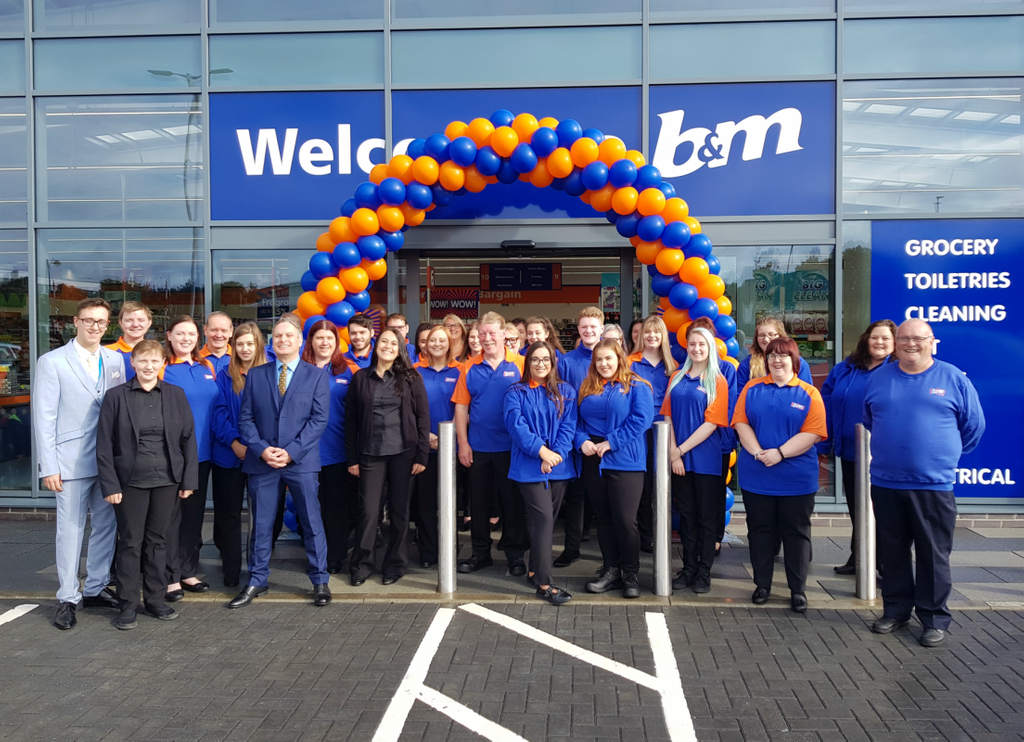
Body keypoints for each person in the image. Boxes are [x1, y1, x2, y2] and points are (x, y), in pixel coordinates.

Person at [864, 319, 985, 647]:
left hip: (933, 484)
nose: (911, 344)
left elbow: (973, 426)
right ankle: (896, 611)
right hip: (887, 482)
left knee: (933, 554)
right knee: (893, 551)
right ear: (897, 343)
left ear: (932, 342)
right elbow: (870, 419)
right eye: (904, 338)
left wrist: (941, 456)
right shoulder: (879, 378)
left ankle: (933, 618)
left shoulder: (953, 378)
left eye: (918, 338)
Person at [33, 298, 125, 629]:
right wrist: (49, 465)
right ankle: (69, 596)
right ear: (76, 321)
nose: (95, 327)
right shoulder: (52, 362)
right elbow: (44, 417)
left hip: (107, 460)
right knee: (70, 529)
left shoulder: (115, 359)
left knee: (106, 526)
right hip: (70, 461)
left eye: (101, 322)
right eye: (89, 320)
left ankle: (96, 587)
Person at [231, 313, 331, 609]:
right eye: (278, 336)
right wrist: (262, 449)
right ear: (271, 341)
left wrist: (291, 452)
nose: (283, 340)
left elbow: (318, 420)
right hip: (263, 462)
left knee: (312, 522)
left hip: (301, 462)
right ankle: (257, 579)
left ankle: (320, 580)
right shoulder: (256, 375)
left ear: (300, 341)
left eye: (289, 336)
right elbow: (245, 419)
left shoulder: (316, 376)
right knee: (260, 525)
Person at [95, 340, 198, 629]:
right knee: (130, 542)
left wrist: (188, 479)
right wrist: (110, 485)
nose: (148, 366)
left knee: (159, 541)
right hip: (129, 482)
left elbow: (188, 439)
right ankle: (127, 604)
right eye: (143, 361)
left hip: (167, 480)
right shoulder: (116, 397)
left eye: (154, 361)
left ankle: (155, 600)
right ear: (133, 363)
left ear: (163, 363)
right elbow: (104, 444)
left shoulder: (176, 394)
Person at [732, 337, 826, 613]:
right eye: (772, 355)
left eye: (783, 355)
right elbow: (740, 422)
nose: (777, 360)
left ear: (794, 360)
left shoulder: (809, 393)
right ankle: (762, 585)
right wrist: (759, 452)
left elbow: (813, 432)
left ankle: (798, 590)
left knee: (796, 533)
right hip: (757, 476)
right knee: (759, 531)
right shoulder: (752, 388)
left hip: (796, 478)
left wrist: (780, 453)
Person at [345, 328, 430, 585]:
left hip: (404, 453)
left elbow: (423, 417)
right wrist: (352, 458)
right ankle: (362, 565)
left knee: (400, 511)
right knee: (369, 512)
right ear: (376, 345)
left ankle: (395, 565)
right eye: (384, 341)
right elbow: (350, 421)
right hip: (370, 453)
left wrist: (422, 455)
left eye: (394, 343)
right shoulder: (360, 378)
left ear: (400, 349)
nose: (388, 346)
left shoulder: (411, 378)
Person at [817, 319, 897, 576]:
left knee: (882, 512)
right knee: (858, 508)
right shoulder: (845, 368)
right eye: (875, 337)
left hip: (883, 455)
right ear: (866, 339)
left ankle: (884, 565)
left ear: (895, 343)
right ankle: (859, 556)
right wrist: (825, 442)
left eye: (886, 338)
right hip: (851, 452)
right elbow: (827, 405)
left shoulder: (897, 370)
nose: (879, 342)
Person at [452, 311, 528, 576]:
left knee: (512, 503)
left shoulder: (521, 363)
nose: (487, 338)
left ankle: (515, 555)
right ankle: (480, 553)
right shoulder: (468, 367)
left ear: (504, 334)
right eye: (482, 333)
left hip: (513, 447)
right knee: (479, 504)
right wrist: (463, 444)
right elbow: (461, 407)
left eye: (492, 333)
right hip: (479, 447)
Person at [576, 340, 653, 598]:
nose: (603, 363)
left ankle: (630, 574)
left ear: (620, 358)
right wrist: (581, 441)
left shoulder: (637, 386)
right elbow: (576, 421)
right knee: (604, 519)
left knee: (625, 520)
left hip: (626, 460)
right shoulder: (587, 387)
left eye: (608, 358)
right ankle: (611, 571)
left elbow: (641, 420)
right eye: (598, 359)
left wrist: (612, 442)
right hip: (593, 459)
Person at [503, 341, 578, 605]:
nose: (541, 364)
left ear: (553, 362)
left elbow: (569, 426)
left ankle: (534, 569)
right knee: (544, 520)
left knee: (543, 523)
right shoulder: (516, 391)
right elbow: (516, 426)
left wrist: (555, 455)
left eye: (546, 359)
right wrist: (541, 452)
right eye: (535, 359)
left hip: (558, 466)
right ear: (528, 362)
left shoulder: (566, 391)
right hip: (528, 467)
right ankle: (545, 584)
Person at [661, 326, 730, 593]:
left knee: (706, 518)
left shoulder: (717, 380)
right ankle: (688, 568)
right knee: (687, 517)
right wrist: (673, 452)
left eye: (702, 344)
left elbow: (711, 424)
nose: (697, 348)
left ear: (710, 347)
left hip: (705, 460)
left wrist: (680, 450)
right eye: (692, 344)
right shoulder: (677, 377)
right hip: (679, 459)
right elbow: (667, 416)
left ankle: (704, 572)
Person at [160, 315, 218, 601]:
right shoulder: (162, 367)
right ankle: (169, 577)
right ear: (169, 336)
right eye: (180, 333)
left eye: (191, 334)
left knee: (194, 517)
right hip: (173, 456)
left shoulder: (206, 365)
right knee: (171, 518)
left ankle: (187, 571)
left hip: (203, 455)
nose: (186, 338)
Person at [210, 323, 268, 588]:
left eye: (250, 344)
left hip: (260, 456)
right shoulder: (224, 375)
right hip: (228, 456)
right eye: (240, 344)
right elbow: (218, 413)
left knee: (261, 517)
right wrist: (234, 443)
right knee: (229, 515)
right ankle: (231, 570)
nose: (245, 349)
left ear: (258, 346)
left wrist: (257, 447)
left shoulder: (270, 374)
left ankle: (258, 569)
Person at [302, 319, 354, 574]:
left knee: (336, 508)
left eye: (329, 338)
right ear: (310, 341)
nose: (324, 342)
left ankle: (334, 556)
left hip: (337, 450)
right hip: (305, 452)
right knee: (310, 509)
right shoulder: (299, 370)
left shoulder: (347, 371)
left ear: (337, 342)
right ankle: (315, 557)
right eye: (319, 338)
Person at [553, 306, 605, 568]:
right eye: (584, 326)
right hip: (574, 435)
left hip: (604, 439)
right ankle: (571, 549)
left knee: (604, 500)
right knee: (575, 496)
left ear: (602, 329)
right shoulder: (566, 361)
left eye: (593, 327)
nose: (588, 331)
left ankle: (610, 556)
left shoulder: (611, 358)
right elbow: (561, 403)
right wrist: (575, 438)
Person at [627, 315, 677, 552]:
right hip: (639, 429)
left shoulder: (673, 366)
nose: (651, 336)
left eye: (657, 332)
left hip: (665, 430)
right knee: (643, 484)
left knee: (662, 483)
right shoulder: (629, 362)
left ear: (663, 336)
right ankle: (644, 535)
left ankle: (661, 533)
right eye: (647, 331)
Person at [413, 325, 461, 567]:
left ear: (450, 344)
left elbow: (465, 406)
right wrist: (427, 436)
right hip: (424, 446)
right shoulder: (415, 371)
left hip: (453, 447)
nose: (437, 344)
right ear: (425, 344)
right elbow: (408, 409)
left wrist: (447, 435)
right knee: (426, 502)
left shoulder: (461, 370)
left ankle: (451, 548)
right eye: (433, 340)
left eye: (442, 340)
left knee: (451, 502)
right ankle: (428, 552)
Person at [736, 317, 812, 391]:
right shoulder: (747, 364)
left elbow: (806, 392)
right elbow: (740, 393)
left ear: (781, 336)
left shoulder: (797, 362)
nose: (766, 339)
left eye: (771, 334)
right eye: (761, 335)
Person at [105, 300, 152, 381]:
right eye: (129, 320)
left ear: (149, 323)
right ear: (120, 322)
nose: (135, 325)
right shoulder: (106, 353)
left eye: (141, 320)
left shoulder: (156, 353)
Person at [200, 311, 234, 376]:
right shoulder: (194, 360)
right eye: (214, 330)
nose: (219, 335)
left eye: (224, 331)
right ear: (205, 330)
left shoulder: (239, 359)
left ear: (231, 332)